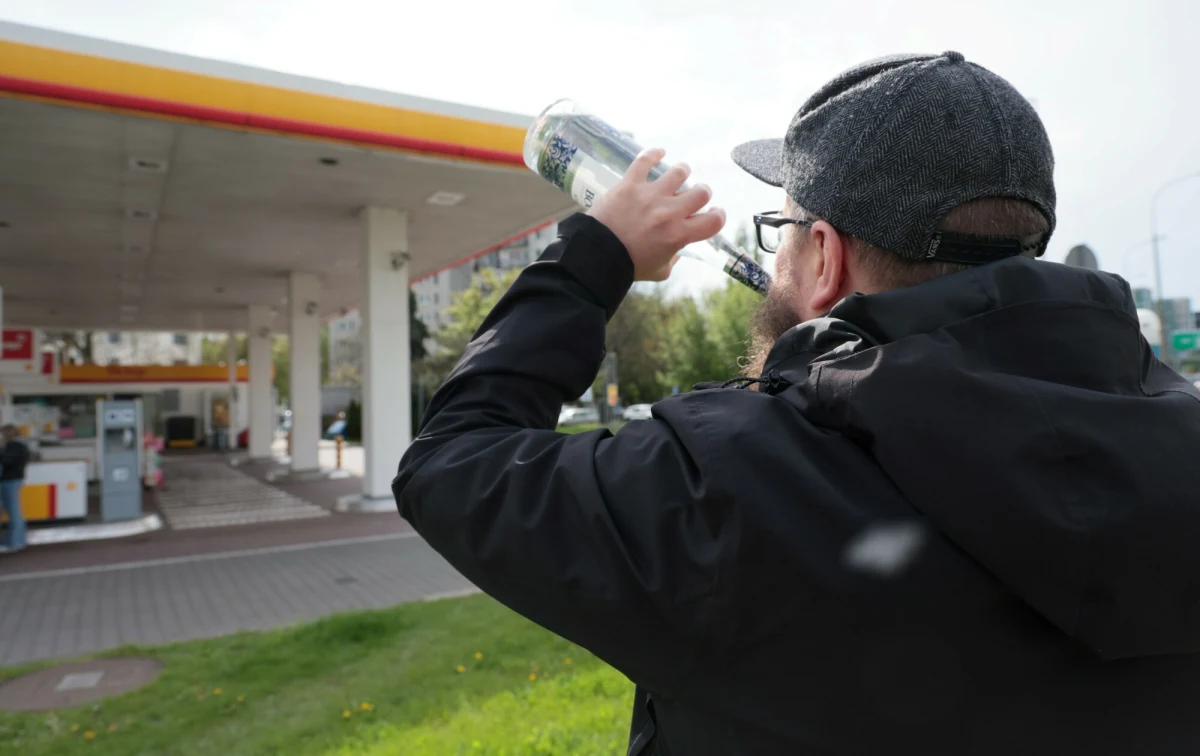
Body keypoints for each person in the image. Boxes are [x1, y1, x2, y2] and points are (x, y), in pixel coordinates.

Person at [393, 51, 1200, 755]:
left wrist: (593, 257)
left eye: (784, 225)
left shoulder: (731, 489)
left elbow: (453, 460)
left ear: (823, 256)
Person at [0, 424, 30, 553]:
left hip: (10, 481)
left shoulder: (14, 447)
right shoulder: (20, 446)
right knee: (14, 511)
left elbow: (6, 461)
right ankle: (14, 541)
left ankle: (16, 542)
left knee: (14, 512)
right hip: (12, 480)